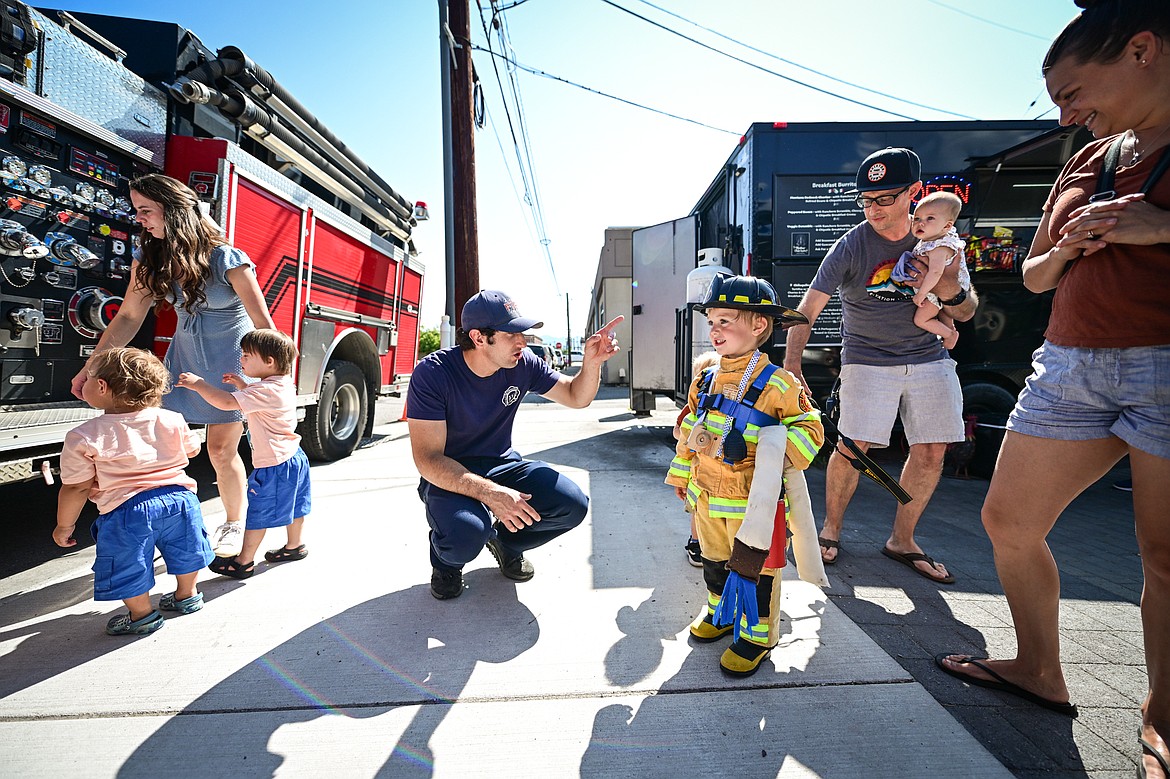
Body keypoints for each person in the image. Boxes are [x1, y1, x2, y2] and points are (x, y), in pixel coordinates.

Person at [936, 4, 1170, 775]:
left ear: (1141, 50)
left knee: (1163, 555)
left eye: (1072, 94)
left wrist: (1156, 226)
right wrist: (1066, 247)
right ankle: (1039, 668)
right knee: (1007, 519)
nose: (1065, 115)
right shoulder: (1086, 160)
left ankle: (1162, 720)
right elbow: (1034, 274)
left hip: (1164, 365)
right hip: (1070, 364)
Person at [784, 146, 979, 583]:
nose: (873, 209)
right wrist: (792, 364)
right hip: (867, 358)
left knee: (932, 450)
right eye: (866, 200)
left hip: (929, 357)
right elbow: (808, 308)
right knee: (854, 448)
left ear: (914, 192)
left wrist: (947, 286)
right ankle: (831, 531)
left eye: (885, 199)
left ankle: (902, 540)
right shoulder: (851, 245)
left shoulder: (940, 240)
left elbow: (966, 312)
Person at [69, 174, 275, 560]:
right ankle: (164, 525)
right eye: (137, 210)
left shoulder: (226, 258)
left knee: (220, 450)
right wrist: (90, 368)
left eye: (146, 210)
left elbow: (263, 324)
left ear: (174, 210)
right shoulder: (151, 258)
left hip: (230, 365)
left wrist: (270, 381)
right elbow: (128, 316)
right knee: (160, 448)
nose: (139, 218)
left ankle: (234, 522)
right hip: (183, 362)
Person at [407, 290, 624, 600]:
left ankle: (506, 543)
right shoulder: (433, 374)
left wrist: (592, 363)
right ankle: (445, 564)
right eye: (511, 334)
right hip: (450, 473)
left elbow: (576, 396)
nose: (522, 341)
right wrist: (491, 494)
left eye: (522, 333)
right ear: (479, 338)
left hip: (502, 464)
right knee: (467, 532)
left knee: (572, 504)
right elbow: (428, 459)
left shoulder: (522, 364)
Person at [666, 276, 824, 676]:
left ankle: (757, 636)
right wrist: (682, 476)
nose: (714, 330)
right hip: (707, 497)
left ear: (759, 325)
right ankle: (720, 613)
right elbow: (690, 431)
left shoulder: (780, 383)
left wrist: (771, 455)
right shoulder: (705, 378)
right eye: (711, 322)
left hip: (753, 504)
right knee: (714, 560)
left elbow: (811, 430)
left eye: (725, 321)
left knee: (756, 570)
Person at [53, 348, 212, 635]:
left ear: (102, 386)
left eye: (87, 378)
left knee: (129, 562)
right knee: (187, 550)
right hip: (180, 499)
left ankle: (141, 615)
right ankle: (187, 596)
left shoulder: (84, 435)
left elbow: (76, 486)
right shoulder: (172, 418)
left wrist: (65, 525)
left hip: (127, 510)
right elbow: (192, 449)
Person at [177, 329, 310, 580]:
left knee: (259, 513)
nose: (242, 359)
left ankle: (243, 562)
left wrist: (199, 385)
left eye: (247, 355)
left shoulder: (264, 391)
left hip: (274, 464)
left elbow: (227, 403)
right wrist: (243, 385)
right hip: (293, 456)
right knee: (296, 504)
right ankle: (295, 545)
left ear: (269, 361)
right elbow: (260, 398)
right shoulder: (281, 384)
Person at [891, 191, 968, 350]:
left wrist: (921, 294)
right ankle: (951, 331)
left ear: (947, 226)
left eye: (930, 218)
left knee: (921, 320)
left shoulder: (939, 247)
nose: (921, 223)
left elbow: (935, 273)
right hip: (942, 292)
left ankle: (949, 335)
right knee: (944, 312)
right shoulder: (933, 239)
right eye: (917, 218)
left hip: (936, 290)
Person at [675, 350, 721, 568]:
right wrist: (692, 436)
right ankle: (696, 543)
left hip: (711, 469)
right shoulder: (693, 407)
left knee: (702, 508)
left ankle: (702, 543)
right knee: (696, 507)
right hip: (696, 468)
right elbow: (677, 431)